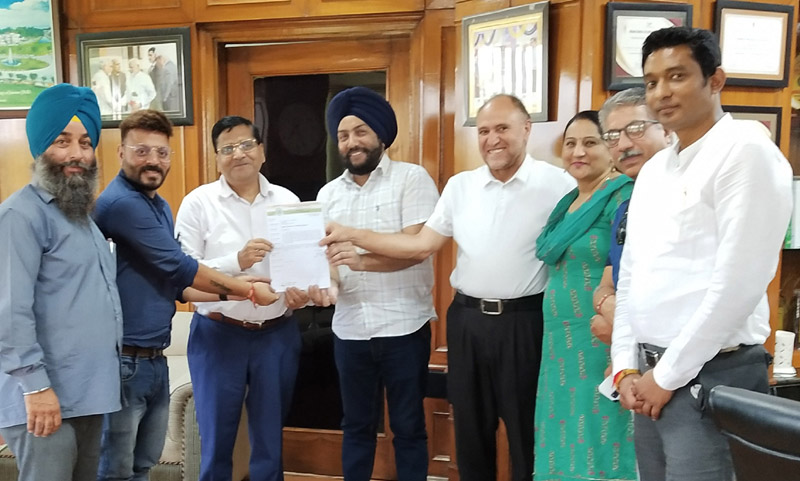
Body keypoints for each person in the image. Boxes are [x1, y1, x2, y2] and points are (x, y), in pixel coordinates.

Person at [322, 93, 575, 481]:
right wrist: (351, 255)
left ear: (527, 129)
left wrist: (352, 238)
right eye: (485, 130)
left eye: (502, 128)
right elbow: (422, 244)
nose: (493, 139)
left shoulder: (559, 184)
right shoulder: (461, 186)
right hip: (467, 321)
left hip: (526, 322)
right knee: (470, 430)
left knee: (527, 429)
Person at [611, 26, 793, 481]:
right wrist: (625, 368)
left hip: (712, 376)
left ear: (715, 80)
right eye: (651, 82)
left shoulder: (745, 151)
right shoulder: (656, 169)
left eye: (677, 76)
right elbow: (631, 275)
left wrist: (665, 376)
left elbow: (738, 285)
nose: (661, 93)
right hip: (650, 375)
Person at [94, 110, 279, 481]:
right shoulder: (121, 204)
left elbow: (178, 286)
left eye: (162, 153)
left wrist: (247, 295)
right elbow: (181, 267)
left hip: (152, 356)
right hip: (122, 359)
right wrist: (247, 288)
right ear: (121, 152)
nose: (153, 161)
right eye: (142, 151)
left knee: (141, 465)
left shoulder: (159, 205)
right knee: (116, 471)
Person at [311, 87, 439, 480]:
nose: (352, 142)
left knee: (408, 427)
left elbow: (416, 248)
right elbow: (329, 261)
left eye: (361, 131)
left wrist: (359, 253)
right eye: (344, 135)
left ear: (381, 135)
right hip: (350, 330)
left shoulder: (412, 179)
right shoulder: (327, 194)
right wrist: (325, 284)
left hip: (404, 326)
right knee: (356, 426)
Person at [0, 84, 123, 481]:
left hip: (87, 393)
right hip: (44, 398)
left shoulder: (79, 216)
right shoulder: (20, 216)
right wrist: (36, 388)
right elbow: (9, 310)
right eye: (62, 141)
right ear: (40, 148)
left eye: (86, 143)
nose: (77, 154)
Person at [174, 115, 306, 481]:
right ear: (217, 158)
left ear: (262, 151)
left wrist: (301, 296)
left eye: (247, 144)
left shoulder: (287, 200)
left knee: (269, 442)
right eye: (227, 149)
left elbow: (300, 269)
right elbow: (184, 272)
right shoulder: (198, 203)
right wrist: (237, 261)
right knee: (216, 443)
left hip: (277, 334)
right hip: (218, 333)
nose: (239, 154)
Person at [533, 110, 634, 481]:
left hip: (599, 337)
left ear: (610, 148)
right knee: (560, 429)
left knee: (598, 431)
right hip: (559, 340)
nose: (578, 151)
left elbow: (628, 268)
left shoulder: (623, 196)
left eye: (590, 142)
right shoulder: (568, 203)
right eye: (570, 143)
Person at [590, 87, 672, 345]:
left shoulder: (687, 198)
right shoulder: (626, 208)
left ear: (667, 131)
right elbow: (606, 285)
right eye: (612, 136)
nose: (624, 144)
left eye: (636, 129)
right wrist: (607, 306)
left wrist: (620, 326)